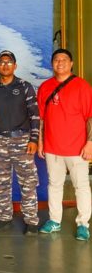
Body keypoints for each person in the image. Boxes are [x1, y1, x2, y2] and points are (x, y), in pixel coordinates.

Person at [37, 48, 92, 241]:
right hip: (52, 147)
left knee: (81, 186)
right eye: (56, 60)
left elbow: (90, 117)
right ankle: (54, 221)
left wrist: (90, 143)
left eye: (64, 59)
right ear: (52, 64)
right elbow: (41, 119)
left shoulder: (82, 86)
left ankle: (83, 224)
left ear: (71, 63)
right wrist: (41, 142)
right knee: (54, 185)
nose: (60, 63)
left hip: (77, 148)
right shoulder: (45, 87)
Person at [0, 50, 40, 235]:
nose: (5, 65)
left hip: (22, 140)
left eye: (9, 62)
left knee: (28, 182)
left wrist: (34, 139)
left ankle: (31, 220)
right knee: (0, 182)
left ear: (15, 66)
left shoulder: (25, 86)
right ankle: (5, 218)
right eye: (2, 62)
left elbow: (35, 115)